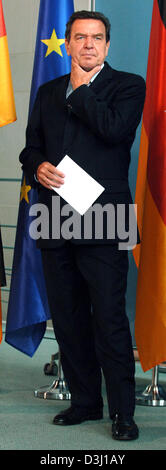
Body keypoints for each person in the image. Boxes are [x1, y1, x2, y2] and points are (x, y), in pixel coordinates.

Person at [20, 10, 146, 440]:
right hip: (54, 215)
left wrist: (79, 90)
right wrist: (37, 165)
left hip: (107, 219)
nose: (88, 44)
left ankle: (123, 413)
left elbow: (113, 131)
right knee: (69, 318)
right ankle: (86, 402)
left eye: (96, 38)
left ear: (107, 46)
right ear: (69, 44)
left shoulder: (129, 86)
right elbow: (30, 146)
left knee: (109, 319)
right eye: (80, 37)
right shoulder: (47, 90)